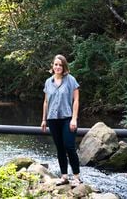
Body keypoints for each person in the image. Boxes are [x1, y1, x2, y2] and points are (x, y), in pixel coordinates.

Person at [41, 54, 82, 186]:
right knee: (59, 148)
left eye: (60, 65)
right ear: (52, 66)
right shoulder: (48, 82)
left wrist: (74, 119)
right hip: (52, 119)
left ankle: (76, 177)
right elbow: (46, 102)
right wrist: (43, 120)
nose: (58, 67)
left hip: (67, 118)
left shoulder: (71, 80)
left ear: (64, 66)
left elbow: (76, 100)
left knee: (69, 147)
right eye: (55, 64)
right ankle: (64, 176)